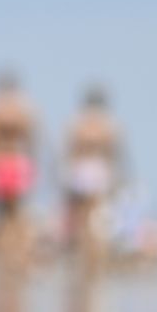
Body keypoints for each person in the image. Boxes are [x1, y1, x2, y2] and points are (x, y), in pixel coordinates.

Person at [0, 71, 38, 266]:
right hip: (17, 161)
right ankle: (17, 259)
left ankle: (1, 259)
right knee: (16, 215)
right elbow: (31, 141)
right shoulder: (24, 109)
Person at [60, 86, 124, 264]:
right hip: (100, 171)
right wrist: (117, 180)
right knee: (97, 220)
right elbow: (116, 155)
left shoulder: (76, 124)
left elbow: (67, 153)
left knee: (80, 219)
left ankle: (82, 259)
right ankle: (95, 261)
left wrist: (65, 177)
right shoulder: (110, 126)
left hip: (80, 170)